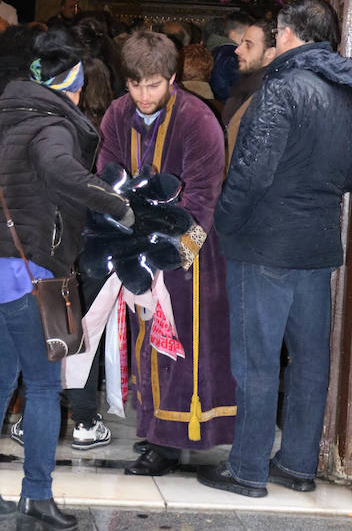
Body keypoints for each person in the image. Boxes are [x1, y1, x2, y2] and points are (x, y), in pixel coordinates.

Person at [0, 26, 133, 529]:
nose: (80, 96)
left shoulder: (1, 127)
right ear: (68, 86)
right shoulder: (52, 127)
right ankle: (36, 495)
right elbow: (62, 173)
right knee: (40, 387)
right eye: (78, 88)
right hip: (28, 274)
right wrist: (115, 204)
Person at [198, 0, 352, 498]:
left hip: (264, 242)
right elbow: (345, 177)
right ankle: (296, 463)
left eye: (277, 33)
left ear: (289, 34)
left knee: (256, 359)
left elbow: (251, 171)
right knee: (309, 358)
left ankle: (247, 468)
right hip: (316, 242)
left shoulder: (283, 87)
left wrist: (224, 222)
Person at [98, 30, 235, 476]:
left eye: (153, 85)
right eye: (135, 84)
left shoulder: (198, 119)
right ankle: (155, 431)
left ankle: (174, 439)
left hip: (190, 250)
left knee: (182, 345)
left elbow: (204, 195)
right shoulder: (117, 113)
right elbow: (106, 176)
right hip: (135, 247)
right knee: (145, 342)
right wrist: (123, 240)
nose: (142, 95)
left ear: (172, 77)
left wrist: (173, 251)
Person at [221, 16, 276, 165]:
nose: (238, 50)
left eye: (249, 45)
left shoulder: (268, 97)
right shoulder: (246, 87)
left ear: (270, 53)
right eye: (241, 43)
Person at [206, 12, 251, 102]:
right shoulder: (231, 55)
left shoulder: (216, 49)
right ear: (233, 34)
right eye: (246, 35)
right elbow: (239, 89)